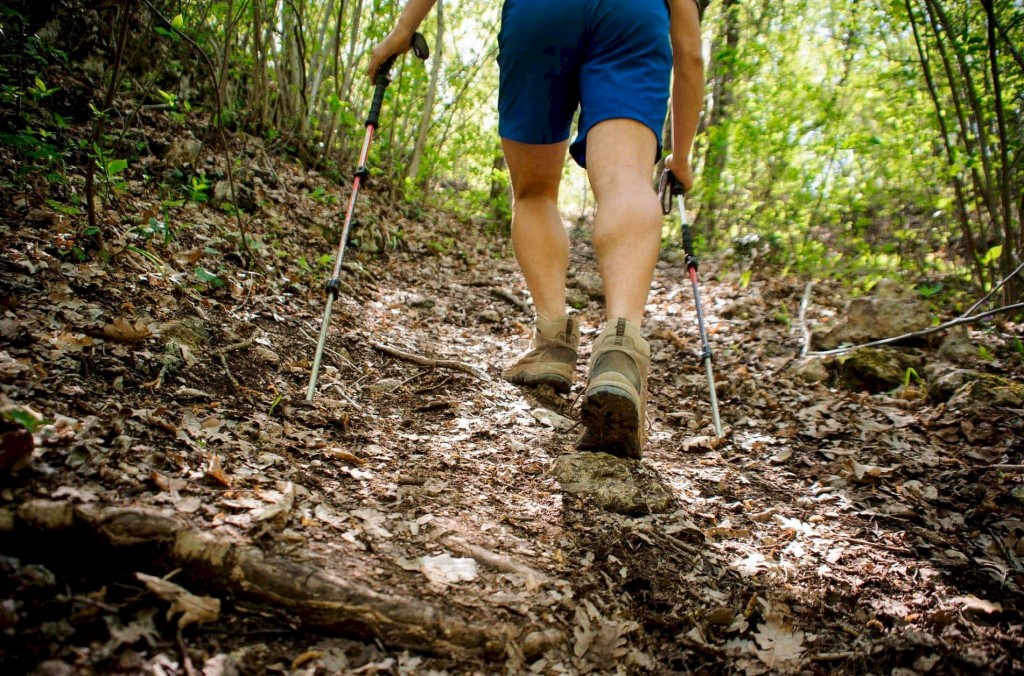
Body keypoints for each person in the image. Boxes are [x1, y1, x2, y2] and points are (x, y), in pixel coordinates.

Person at [369, 0, 704, 458]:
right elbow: (690, 53)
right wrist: (680, 157)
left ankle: (552, 343)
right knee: (626, 176)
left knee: (533, 192)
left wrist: (406, 26)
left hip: (542, 11)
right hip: (633, 16)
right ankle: (620, 349)